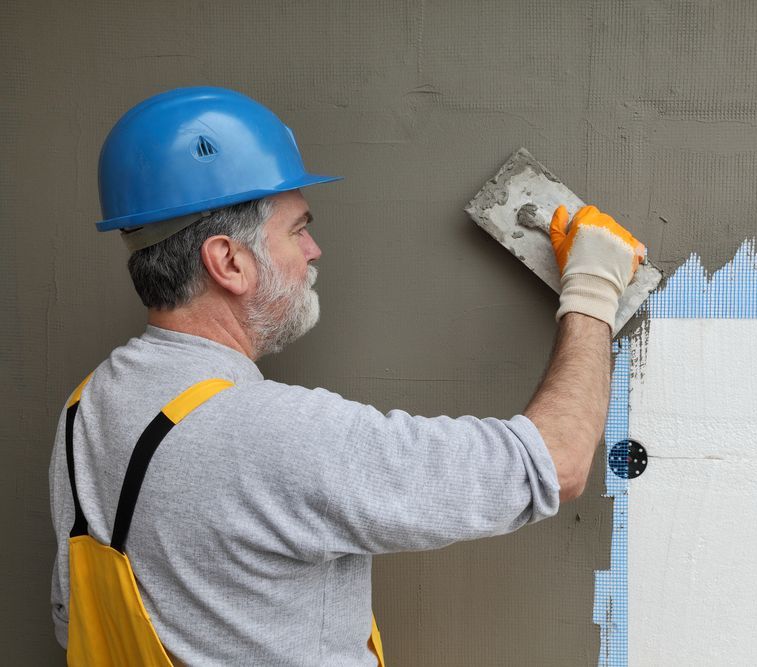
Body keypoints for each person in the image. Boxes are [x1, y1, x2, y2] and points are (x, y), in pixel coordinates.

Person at [49, 86, 645, 666]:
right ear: (228, 261)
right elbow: (556, 461)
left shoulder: (87, 411)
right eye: (297, 229)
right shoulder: (279, 435)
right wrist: (593, 289)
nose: (314, 251)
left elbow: (68, 615)